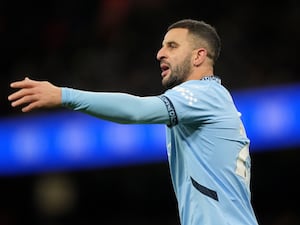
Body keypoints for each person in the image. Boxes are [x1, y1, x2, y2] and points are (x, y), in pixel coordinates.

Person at [8, 19, 259, 225]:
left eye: (172, 46)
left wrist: (65, 95)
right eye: (162, 46)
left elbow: (137, 110)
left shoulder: (203, 95)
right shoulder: (210, 98)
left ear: (198, 56)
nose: (160, 53)